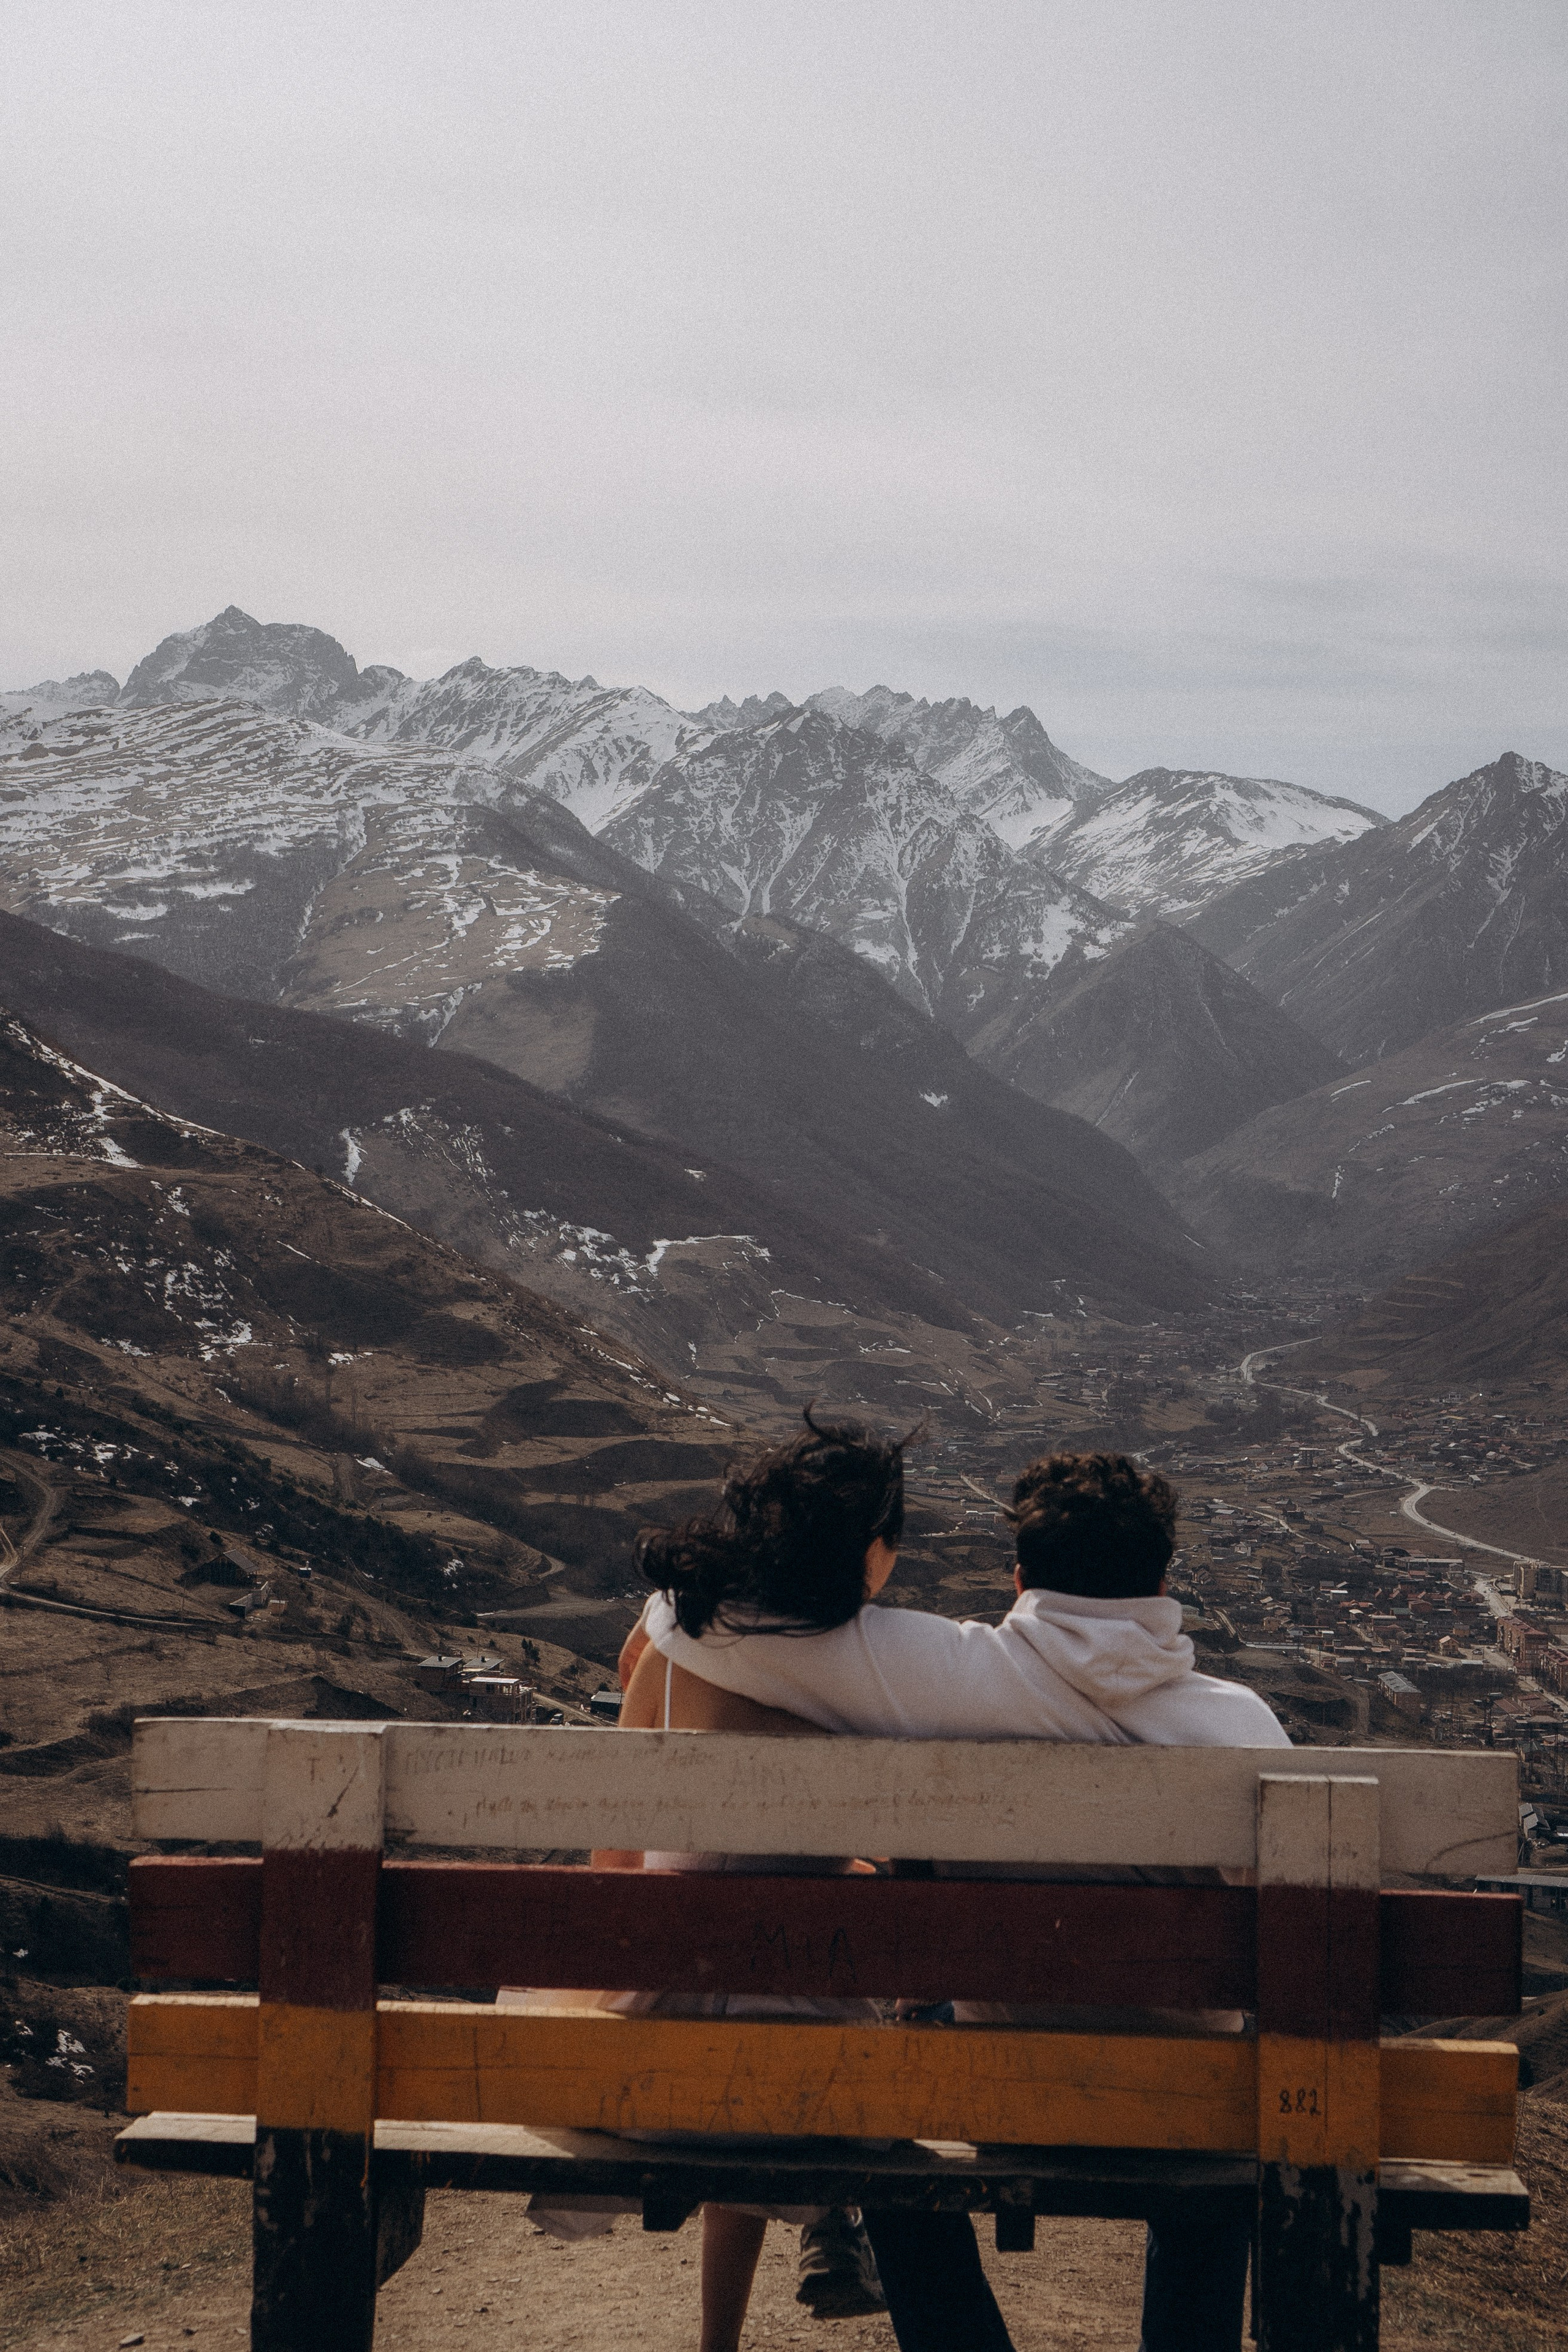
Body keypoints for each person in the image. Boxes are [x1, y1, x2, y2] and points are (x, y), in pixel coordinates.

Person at [631, 1446, 1289, 2352]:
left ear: (1019, 1575)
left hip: (994, 2090)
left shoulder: (943, 1675)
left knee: (893, 2149)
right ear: (1164, 1577)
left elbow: (691, 1615)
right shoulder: (1243, 1724)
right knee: (1224, 2152)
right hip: (1192, 2103)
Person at [516, 1408, 907, 2352]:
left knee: (726, 1977)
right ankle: (834, 2229)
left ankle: (722, 2341)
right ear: (873, 1551)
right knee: (813, 1974)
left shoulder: (673, 1639)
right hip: (819, 2089)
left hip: (655, 2070)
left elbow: (615, 1861)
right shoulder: (877, 1665)